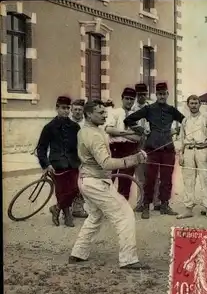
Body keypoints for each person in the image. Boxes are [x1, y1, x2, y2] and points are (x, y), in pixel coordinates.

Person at [69, 99, 150, 270]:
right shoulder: (93, 135)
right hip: (95, 182)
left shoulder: (89, 130)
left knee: (95, 216)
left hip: (88, 180)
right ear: (88, 114)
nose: (105, 115)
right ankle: (128, 259)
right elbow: (105, 163)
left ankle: (78, 253)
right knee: (125, 214)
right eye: (100, 113)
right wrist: (133, 159)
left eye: (105, 112)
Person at [124, 82, 184, 219]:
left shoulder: (171, 109)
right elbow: (129, 119)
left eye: (164, 94)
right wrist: (141, 130)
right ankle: (146, 206)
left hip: (168, 149)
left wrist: (177, 130)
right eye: (159, 94)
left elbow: (185, 121)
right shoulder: (149, 109)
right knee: (149, 178)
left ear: (167, 94)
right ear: (156, 95)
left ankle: (165, 205)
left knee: (166, 178)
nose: (162, 96)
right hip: (152, 148)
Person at [36, 96, 81, 227]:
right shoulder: (49, 127)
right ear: (57, 108)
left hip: (73, 163)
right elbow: (41, 148)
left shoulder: (75, 126)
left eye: (68, 108)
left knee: (75, 188)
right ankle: (67, 215)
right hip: (57, 164)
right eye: (63, 108)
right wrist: (46, 164)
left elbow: (80, 146)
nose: (66, 111)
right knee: (62, 190)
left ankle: (56, 208)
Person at [176, 95, 207, 220]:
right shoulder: (185, 120)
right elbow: (182, 139)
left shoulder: (206, 118)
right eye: (191, 103)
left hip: (203, 150)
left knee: (206, 180)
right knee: (188, 180)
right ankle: (188, 209)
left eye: (196, 103)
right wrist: (181, 155)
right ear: (188, 105)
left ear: (200, 104)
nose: (193, 105)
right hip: (188, 150)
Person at [104, 87, 142, 201]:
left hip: (130, 149)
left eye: (131, 99)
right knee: (110, 178)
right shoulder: (115, 113)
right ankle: (107, 206)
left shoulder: (137, 115)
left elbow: (138, 137)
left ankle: (123, 206)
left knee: (126, 179)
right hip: (115, 149)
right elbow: (109, 130)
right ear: (122, 99)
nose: (129, 101)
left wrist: (119, 134)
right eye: (127, 98)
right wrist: (128, 133)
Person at [131, 83, 161, 211]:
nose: (142, 97)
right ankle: (141, 202)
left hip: (151, 145)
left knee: (154, 174)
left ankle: (156, 201)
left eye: (144, 94)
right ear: (136, 95)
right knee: (140, 176)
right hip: (137, 145)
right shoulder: (131, 110)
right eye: (139, 95)